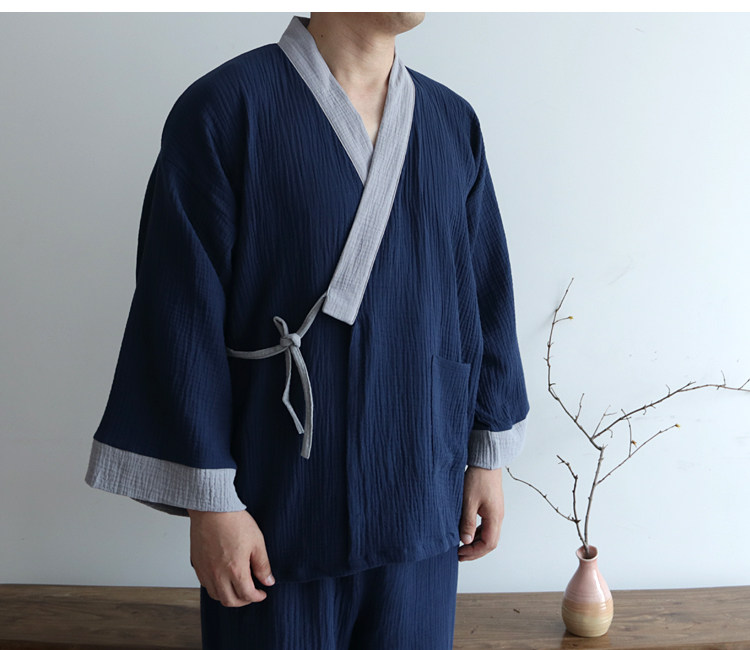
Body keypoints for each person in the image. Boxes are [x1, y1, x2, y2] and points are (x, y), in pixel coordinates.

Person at [85, 11, 530, 649]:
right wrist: (211, 502)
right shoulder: (225, 109)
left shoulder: (451, 122)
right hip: (275, 515)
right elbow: (177, 314)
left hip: (422, 498)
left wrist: (486, 456)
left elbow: (483, 296)